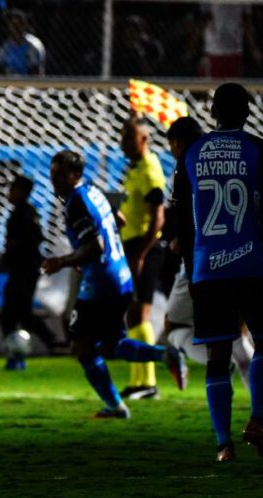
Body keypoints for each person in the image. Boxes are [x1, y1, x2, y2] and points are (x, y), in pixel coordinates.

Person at [181, 82, 263, 461]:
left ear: (212, 113)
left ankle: (223, 444)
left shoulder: (192, 153)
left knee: (217, 356)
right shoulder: (260, 150)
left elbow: (182, 219)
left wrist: (190, 271)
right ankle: (257, 419)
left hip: (208, 268)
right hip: (253, 263)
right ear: (247, 112)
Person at [41, 151, 187, 420]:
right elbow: (118, 220)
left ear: (75, 175)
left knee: (82, 345)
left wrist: (63, 260)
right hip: (119, 275)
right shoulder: (93, 190)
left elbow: (94, 246)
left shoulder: (77, 201)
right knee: (112, 343)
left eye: (60, 175)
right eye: (52, 175)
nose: (55, 181)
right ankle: (166, 355)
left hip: (101, 282)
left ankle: (116, 406)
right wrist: (90, 253)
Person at [161, 116, 254, 382]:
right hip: (238, 257)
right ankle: (262, 408)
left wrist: (180, 238)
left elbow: (182, 214)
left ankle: (220, 364)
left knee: (175, 327)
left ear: (176, 143)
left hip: (199, 262)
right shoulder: (230, 165)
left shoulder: (183, 170)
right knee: (237, 331)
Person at [118, 117, 167, 400]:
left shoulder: (149, 169)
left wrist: (142, 253)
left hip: (144, 248)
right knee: (132, 314)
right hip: (132, 245)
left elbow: (157, 217)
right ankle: (138, 381)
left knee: (141, 313)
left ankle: (149, 383)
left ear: (144, 140)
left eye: (129, 138)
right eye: (123, 137)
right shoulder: (134, 169)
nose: (123, 143)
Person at [0, 174, 60, 369]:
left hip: (24, 270)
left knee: (11, 313)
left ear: (23, 191)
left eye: (13, 189)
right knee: (20, 313)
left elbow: (34, 240)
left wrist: (17, 251)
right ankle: (48, 343)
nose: (10, 193)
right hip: (22, 269)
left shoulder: (25, 213)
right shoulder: (21, 212)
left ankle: (20, 351)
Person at [0, 9, 45, 76]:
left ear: (24, 25)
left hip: (29, 83)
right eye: (13, 25)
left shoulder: (33, 45)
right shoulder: (6, 46)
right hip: (9, 83)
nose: (15, 28)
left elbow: (36, 71)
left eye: (18, 25)